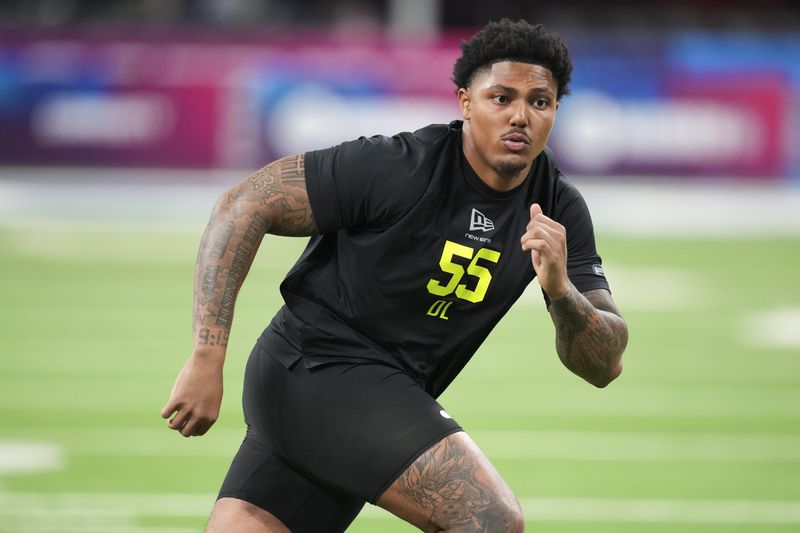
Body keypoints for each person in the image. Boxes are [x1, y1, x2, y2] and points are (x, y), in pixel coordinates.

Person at [161, 18, 629, 532]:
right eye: (501, 98)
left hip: (372, 393)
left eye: (539, 101)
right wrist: (208, 355)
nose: (520, 115)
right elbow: (243, 205)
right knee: (489, 521)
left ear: (556, 110)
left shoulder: (558, 208)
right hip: (317, 367)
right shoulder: (401, 166)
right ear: (466, 102)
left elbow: (602, 365)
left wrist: (561, 292)